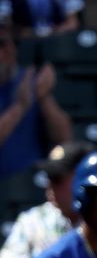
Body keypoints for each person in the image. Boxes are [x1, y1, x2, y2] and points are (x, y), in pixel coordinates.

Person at [0, 17, 71, 178]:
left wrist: (44, 98)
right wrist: (19, 107)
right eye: (1, 44)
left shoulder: (30, 81)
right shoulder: (24, 92)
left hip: (33, 182)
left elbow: (65, 139)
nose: (6, 51)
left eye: (12, 43)